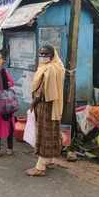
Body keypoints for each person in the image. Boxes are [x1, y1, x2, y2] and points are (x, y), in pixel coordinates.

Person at [26, 45, 65, 177]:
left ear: (52, 55)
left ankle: (40, 167)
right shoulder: (57, 66)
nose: (43, 56)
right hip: (53, 106)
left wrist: (33, 103)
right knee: (52, 132)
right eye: (41, 54)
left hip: (46, 106)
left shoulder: (50, 69)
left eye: (45, 54)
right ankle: (49, 160)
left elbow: (42, 92)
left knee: (44, 135)